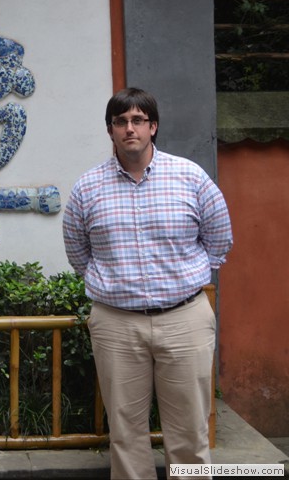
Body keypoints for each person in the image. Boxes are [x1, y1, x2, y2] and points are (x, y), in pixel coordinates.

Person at [62, 87, 233, 480]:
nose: (129, 129)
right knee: (125, 432)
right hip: (116, 324)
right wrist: (113, 286)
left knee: (189, 430)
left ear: (153, 127)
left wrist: (183, 278)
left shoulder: (190, 177)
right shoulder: (87, 188)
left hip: (184, 319)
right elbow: (77, 253)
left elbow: (219, 239)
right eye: (120, 121)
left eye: (138, 120)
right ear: (110, 131)